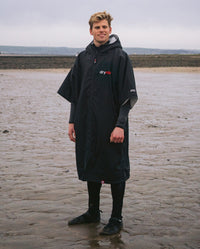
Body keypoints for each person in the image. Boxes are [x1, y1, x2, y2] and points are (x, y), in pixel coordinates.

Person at [57, 11, 138, 235]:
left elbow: (127, 96)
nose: (101, 30)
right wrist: (72, 121)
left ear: (110, 30)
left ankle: (116, 218)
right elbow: (75, 93)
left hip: (112, 125)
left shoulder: (120, 57)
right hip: (86, 124)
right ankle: (93, 212)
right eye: (97, 27)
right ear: (90, 30)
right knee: (90, 164)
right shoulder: (83, 57)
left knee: (115, 168)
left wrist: (120, 124)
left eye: (105, 27)